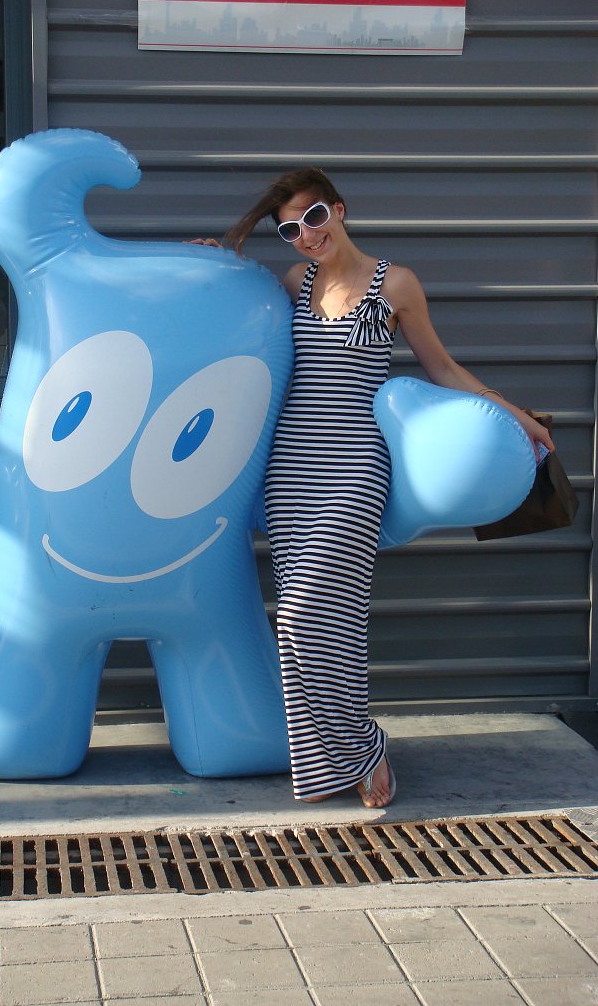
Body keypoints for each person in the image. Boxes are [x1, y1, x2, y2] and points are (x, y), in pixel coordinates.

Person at [194, 168, 553, 809]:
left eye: (312, 218)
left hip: (355, 468)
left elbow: (442, 367)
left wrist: (516, 416)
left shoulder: (396, 284)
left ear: (338, 210)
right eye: (289, 229)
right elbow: (244, 319)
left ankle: (361, 746)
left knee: (317, 616)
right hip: (291, 471)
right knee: (307, 624)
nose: (306, 236)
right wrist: (214, 265)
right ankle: (334, 761)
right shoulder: (295, 282)